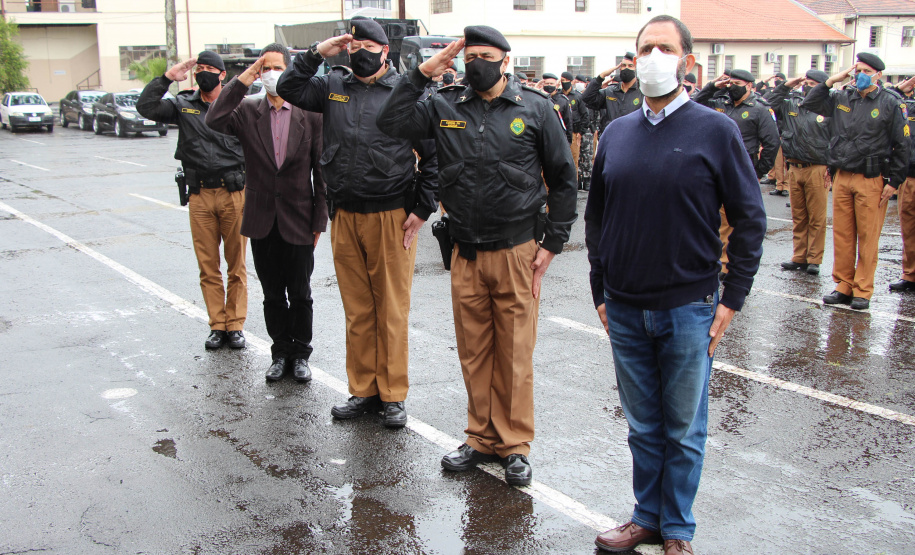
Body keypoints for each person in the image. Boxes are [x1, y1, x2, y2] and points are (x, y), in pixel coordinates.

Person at [585, 15, 766, 555]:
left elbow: (751, 217)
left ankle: (678, 530)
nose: (653, 57)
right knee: (643, 426)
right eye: (644, 48)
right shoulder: (616, 133)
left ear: (687, 61)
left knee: (684, 429)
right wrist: (599, 288)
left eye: (664, 47)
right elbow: (597, 218)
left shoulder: (716, 129)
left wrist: (733, 298)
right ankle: (646, 516)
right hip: (624, 305)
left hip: (689, 306)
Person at [376, 25, 578, 487]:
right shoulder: (443, 102)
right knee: (474, 351)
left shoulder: (536, 109)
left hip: (516, 250)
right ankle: (481, 436)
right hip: (465, 250)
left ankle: (514, 444)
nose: (476, 63)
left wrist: (553, 243)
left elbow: (563, 180)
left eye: (486, 55)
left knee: (514, 351)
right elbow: (390, 122)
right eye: (471, 55)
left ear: (506, 61)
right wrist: (422, 73)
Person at [275, 17, 438, 427]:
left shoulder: (405, 93)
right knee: (359, 310)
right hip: (345, 213)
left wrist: (422, 209)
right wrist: (316, 53)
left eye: (369, 45)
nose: (359, 51)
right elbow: (288, 87)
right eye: (354, 44)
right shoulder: (334, 85)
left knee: (392, 310)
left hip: (391, 215)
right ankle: (364, 390)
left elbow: (435, 156)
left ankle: (393, 394)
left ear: (386, 51)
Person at [205, 43, 327, 382]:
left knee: (300, 293)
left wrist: (319, 220)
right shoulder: (247, 111)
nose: (271, 73)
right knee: (273, 294)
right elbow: (214, 118)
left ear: (289, 71)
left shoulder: (310, 113)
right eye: (265, 68)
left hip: (299, 219)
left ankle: (301, 353)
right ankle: (280, 353)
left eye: (276, 67)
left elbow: (321, 171)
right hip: (261, 220)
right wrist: (245, 78)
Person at [137, 51, 247, 351]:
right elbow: (146, 107)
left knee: (236, 265)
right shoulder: (183, 103)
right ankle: (217, 325)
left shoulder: (239, 104)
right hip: (199, 195)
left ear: (222, 74)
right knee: (208, 266)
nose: (203, 73)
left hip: (233, 193)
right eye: (199, 69)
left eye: (210, 69)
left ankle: (235, 324)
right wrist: (166, 79)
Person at [804, 53, 910, 310]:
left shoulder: (890, 103)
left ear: (878, 75)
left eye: (865, 71)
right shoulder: (843, 97)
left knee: (868, 236)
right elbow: (810, 103)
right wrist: (831, 80)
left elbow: (903, 144)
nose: (858, 75)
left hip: (871, 178)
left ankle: (863, 289)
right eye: (856, 70)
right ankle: (843, 285)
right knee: (842, 234)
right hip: (842, 175)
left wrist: (894, 182)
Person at [693, 69, 779, 276]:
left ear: (749, 86)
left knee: (740, 221)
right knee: (719, 220)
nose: (732, 87)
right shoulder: (721, 104)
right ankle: (722, 262)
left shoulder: (759, 110)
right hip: (717, 170)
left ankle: (734, 265)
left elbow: (772, 142)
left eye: (737, 83)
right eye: (729, 83)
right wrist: (713, 86)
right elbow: (695, 103)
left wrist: (758, 171)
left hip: (742, 171)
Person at [767, 69, 833, 276]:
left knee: (816, 216)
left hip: (817, 167)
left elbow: (837, 137)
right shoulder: (791, 104)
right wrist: (786, 85)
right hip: (794, 167)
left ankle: (814, 258)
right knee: (799, 215)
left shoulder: (828, 108)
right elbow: (769, 102)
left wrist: (832, 167)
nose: (808, 86)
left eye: (814, 84)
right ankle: (799, 255)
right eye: (807, 82)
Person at [890, 75, 915, 292]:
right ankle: (910, 275)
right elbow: (887, 101)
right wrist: (899, 89)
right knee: (908, 228)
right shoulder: (907, 104)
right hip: (910, 176)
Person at [582, 52, 643, 133]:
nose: (626, 68)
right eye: (623, 65)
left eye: (630, 66)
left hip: (633, 138)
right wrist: (601, 77)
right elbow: (587, 98)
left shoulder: (642, 93)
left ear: (636, 69)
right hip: (612, 139)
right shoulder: (610, 91)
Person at [564, 71, 592, 190]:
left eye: (566, 80)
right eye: (562, 80)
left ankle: (573, 186)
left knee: (574, 161)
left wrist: (581, 132)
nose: (563, 83)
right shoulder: (560, 96)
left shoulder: (577, 97)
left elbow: (585, 115)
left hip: (574, 133)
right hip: (561, 133)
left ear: (571, 81)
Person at [541, 72, 574, 144]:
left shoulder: (563, 101)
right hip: (542, 138)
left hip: (558, 138)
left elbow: (568, 122)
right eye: (547, 83)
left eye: (551, 84)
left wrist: (568, 141)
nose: (549, 85)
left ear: (556, 85)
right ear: (543, 84)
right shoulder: (539, 99)